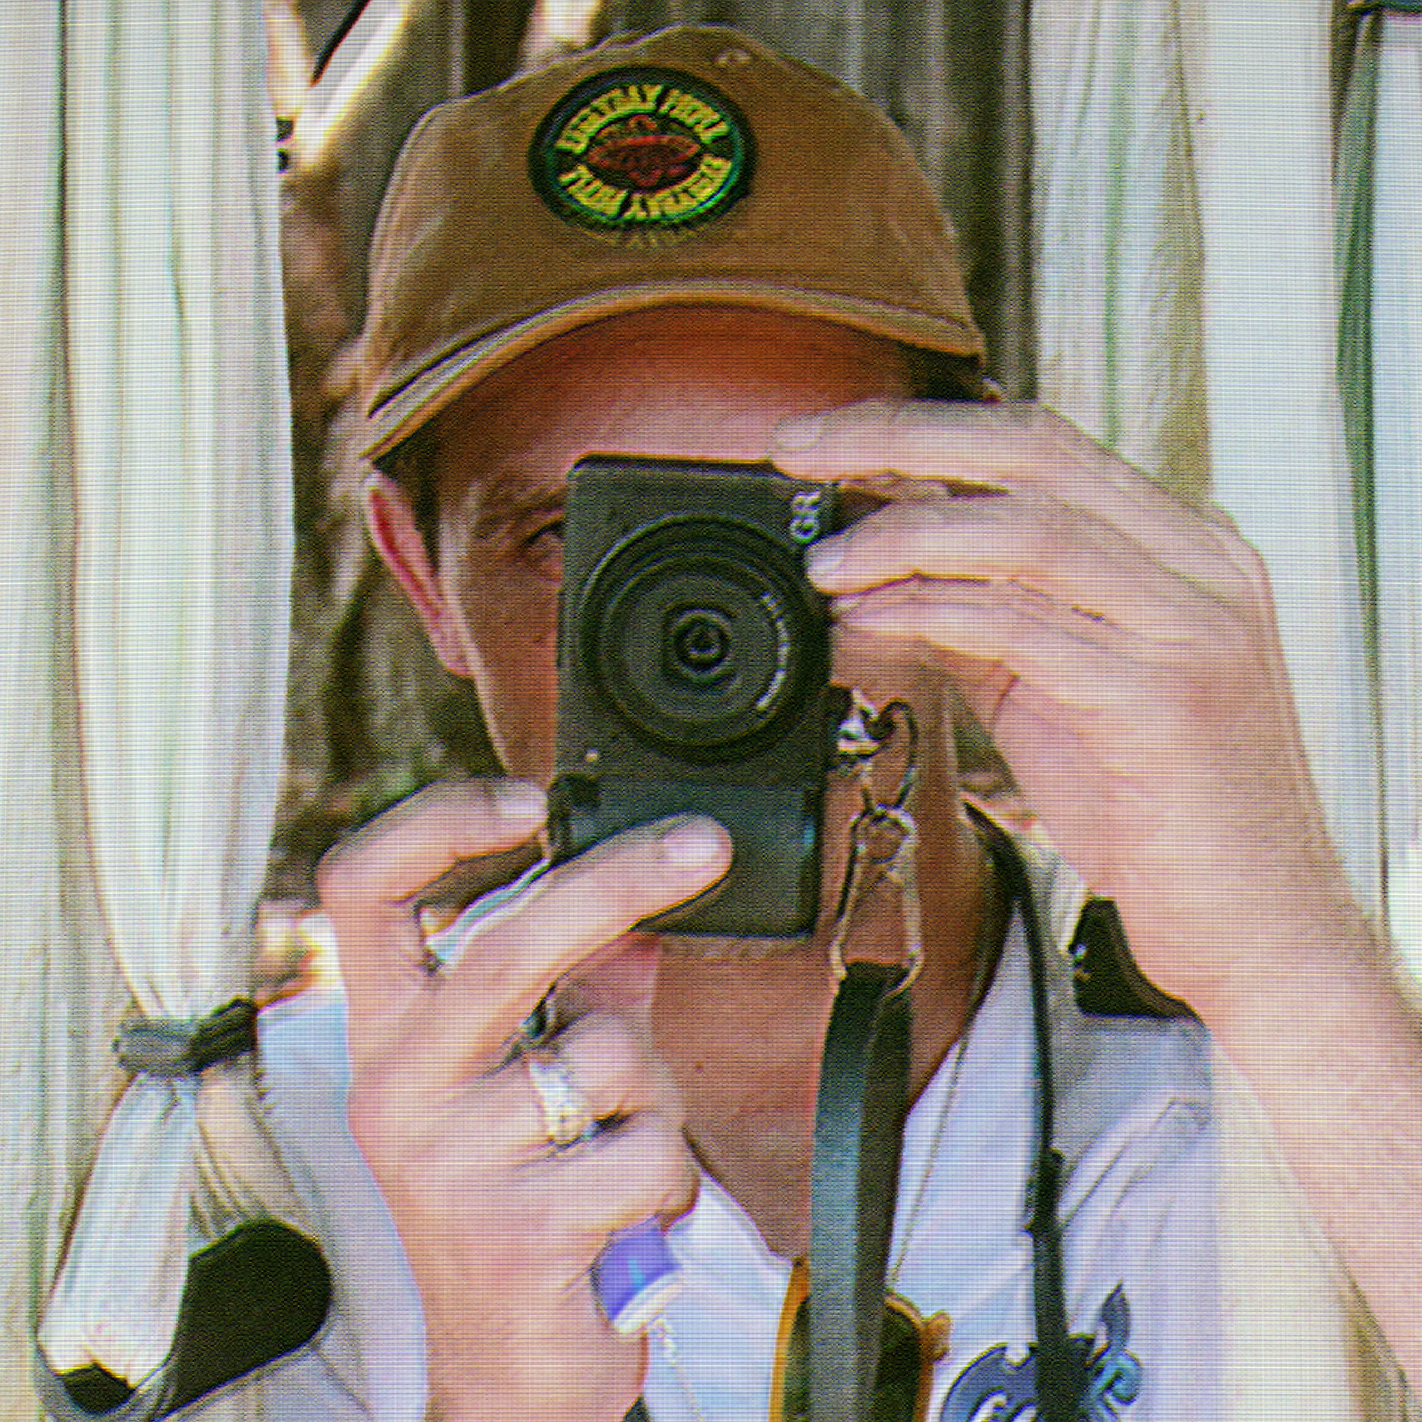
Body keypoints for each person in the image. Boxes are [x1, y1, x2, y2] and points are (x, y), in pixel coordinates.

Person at [262, 23, 1422, 1422]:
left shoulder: (1280, 1094)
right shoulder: (272, 1172)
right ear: (422, 579)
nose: (717, 637)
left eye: (809, 524)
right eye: (587, 541)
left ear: (979, 501)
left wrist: (1291, 965)